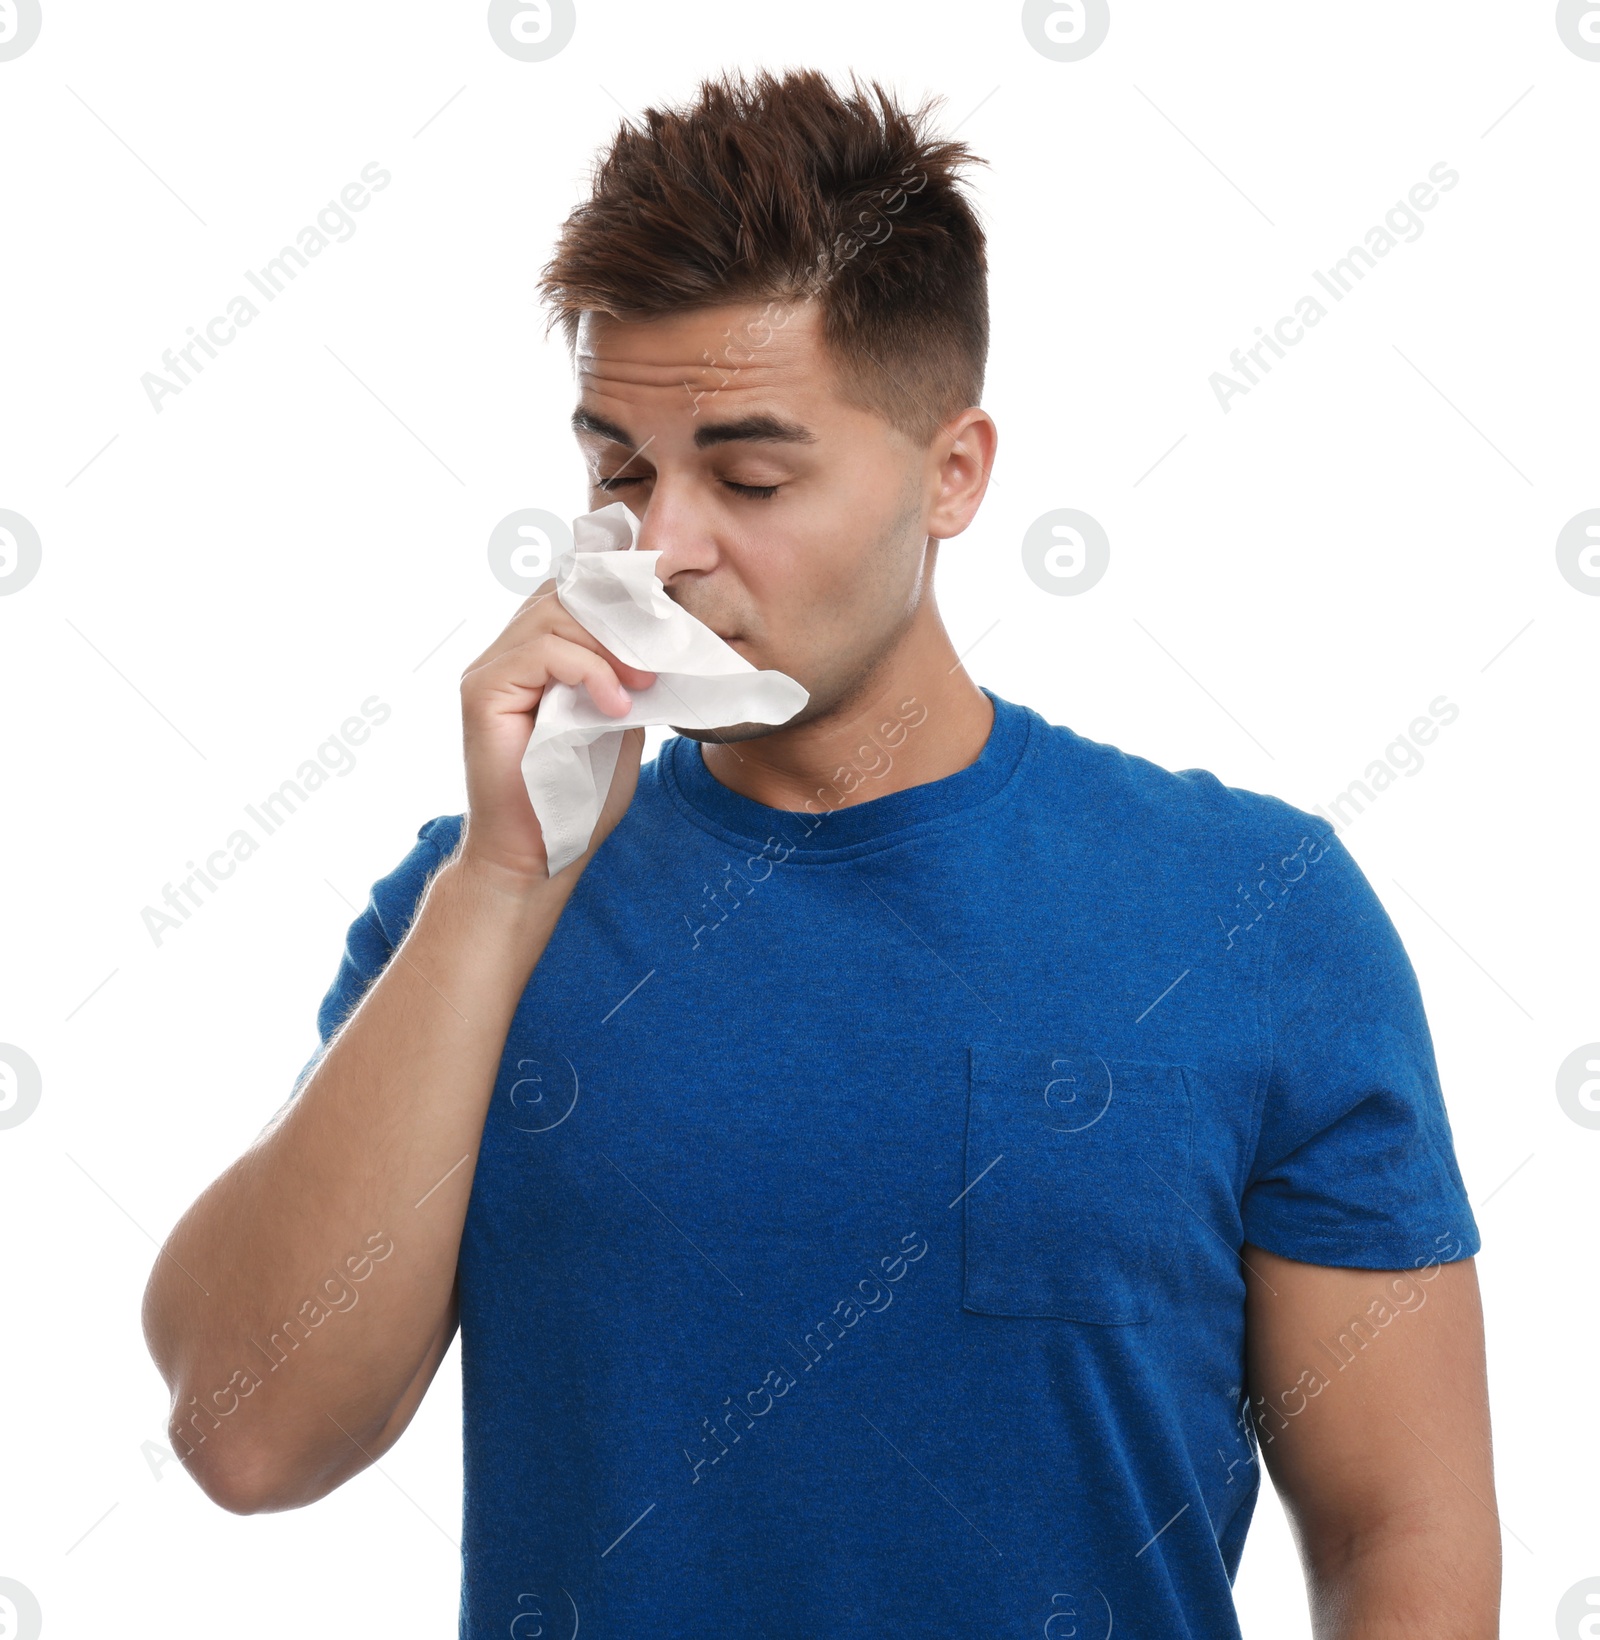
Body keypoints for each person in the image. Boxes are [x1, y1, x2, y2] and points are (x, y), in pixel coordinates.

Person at [142, 68, 1498, 1639]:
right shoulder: (480, 904)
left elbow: (1409, 1532)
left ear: (953, 475)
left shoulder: (1256, 910)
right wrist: (500, 891)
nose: (659, 548)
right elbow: (246, 1433)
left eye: (751, 474)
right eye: (621, 471)